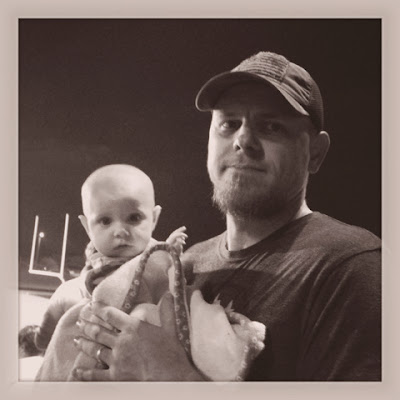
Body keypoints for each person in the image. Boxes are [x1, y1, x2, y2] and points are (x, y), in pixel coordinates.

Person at [72, 51, 381, 381]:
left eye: (271, 126)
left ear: (315, 153)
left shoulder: (352, 269)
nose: (243, 140)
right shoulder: (184, 267)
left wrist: (171, 379)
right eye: (229, 124)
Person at [33, 164, 188, 380]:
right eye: (105, 221)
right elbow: (112, 290)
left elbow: (170, 289)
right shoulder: (99, 267)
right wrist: (161, 255)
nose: (120, 231)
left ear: (154, 218)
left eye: (134, 218)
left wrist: (169, 255)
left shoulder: (155, 253)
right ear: (87, 227)